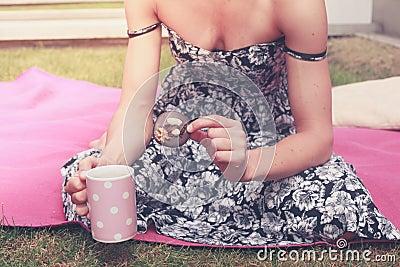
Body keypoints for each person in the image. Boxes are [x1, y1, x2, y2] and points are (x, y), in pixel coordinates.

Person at [63, 0, 400, 246]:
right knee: (85, 177)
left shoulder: (299, 4)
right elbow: (136, 109)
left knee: (336, 205)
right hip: (184, 137)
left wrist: (248, 163)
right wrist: (106, 169)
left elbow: (317, 137)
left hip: (269, 147)